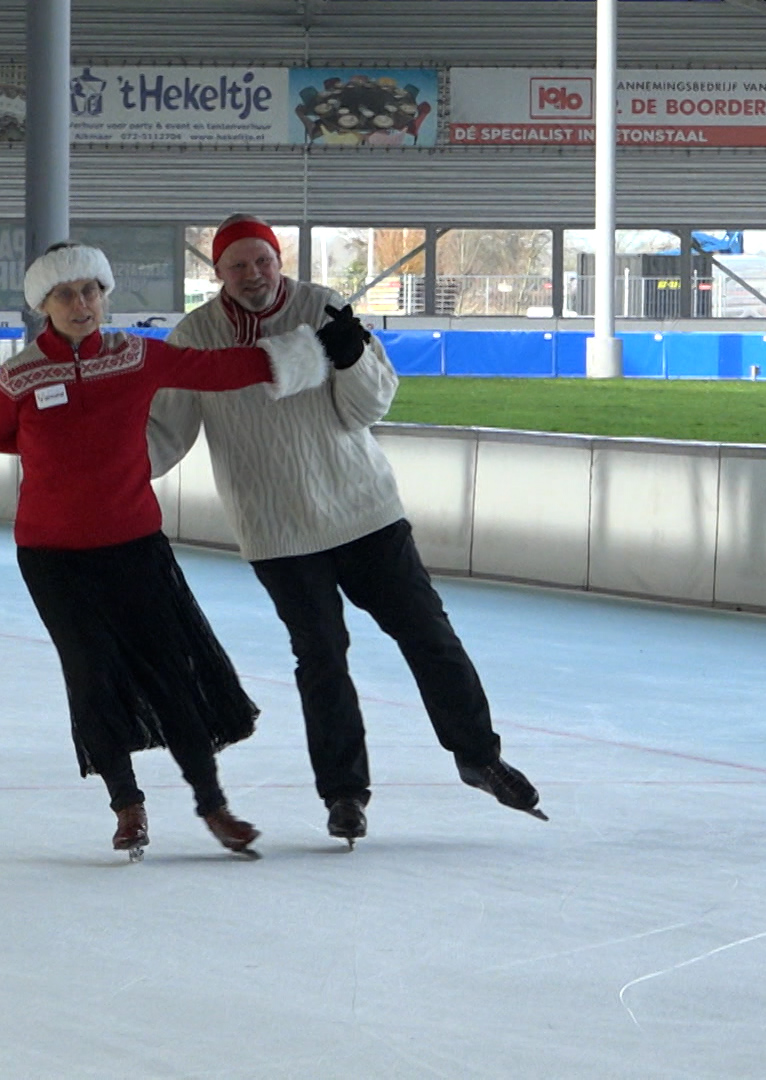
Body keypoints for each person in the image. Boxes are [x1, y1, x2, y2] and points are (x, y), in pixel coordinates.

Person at [148, 215, 546, 847]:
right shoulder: (194, 338)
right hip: (277, 529)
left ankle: (478, 754)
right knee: (322, 657)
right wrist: (103, 476)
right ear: (217, 273)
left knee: (427, 632)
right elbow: (164, 434)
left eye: (263, 261)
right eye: (237, 266)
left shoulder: (322, 306)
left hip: (364, 511)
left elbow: (369, 407)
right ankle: (343, 793)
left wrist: (354, 357)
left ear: (278, 260)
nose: (253, 276)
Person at [0, 241, 329, 860]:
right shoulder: (20, 375)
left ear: (106, 296)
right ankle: (127, 806)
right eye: (66, 294)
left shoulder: (139, 356)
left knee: (171, 673)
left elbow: (219, 371)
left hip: (134, 544)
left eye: (91, 292)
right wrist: (56, 464)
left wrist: (303, 353)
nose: (81, 305)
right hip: (52, 557)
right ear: (43, 306)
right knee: (92, 676)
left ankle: (213, 807)